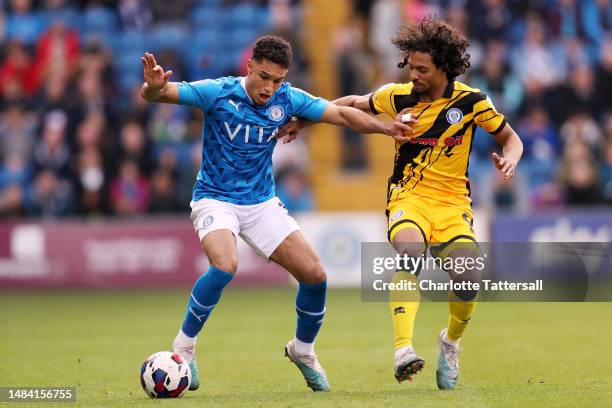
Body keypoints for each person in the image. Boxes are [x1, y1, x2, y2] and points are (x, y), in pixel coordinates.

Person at [139, 35, 411, 392]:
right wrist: (153, 88)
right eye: (264, 76)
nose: (269, 88)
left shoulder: (288, 99)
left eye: (278, 80)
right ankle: (184, 347)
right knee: (224, 266)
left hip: (261, 203)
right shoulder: (217, 92)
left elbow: (341, 114)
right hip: (215, 199)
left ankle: (303, 350)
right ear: (249, 65)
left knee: (315, 275)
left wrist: (386, 127)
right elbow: (160, 94)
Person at [280, 18, 523, 389]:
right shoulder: (398, 96)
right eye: (411, 66)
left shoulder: (472, 103)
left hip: (452, 204)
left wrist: (511, 159)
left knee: (468, 278)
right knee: (410, 251)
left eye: (422, 69)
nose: (414, 75)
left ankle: (450, 343)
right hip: (408, 198)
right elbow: (348, 105)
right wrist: (304, 121)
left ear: (443, 68)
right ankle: (402, 350)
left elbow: (512, 139)